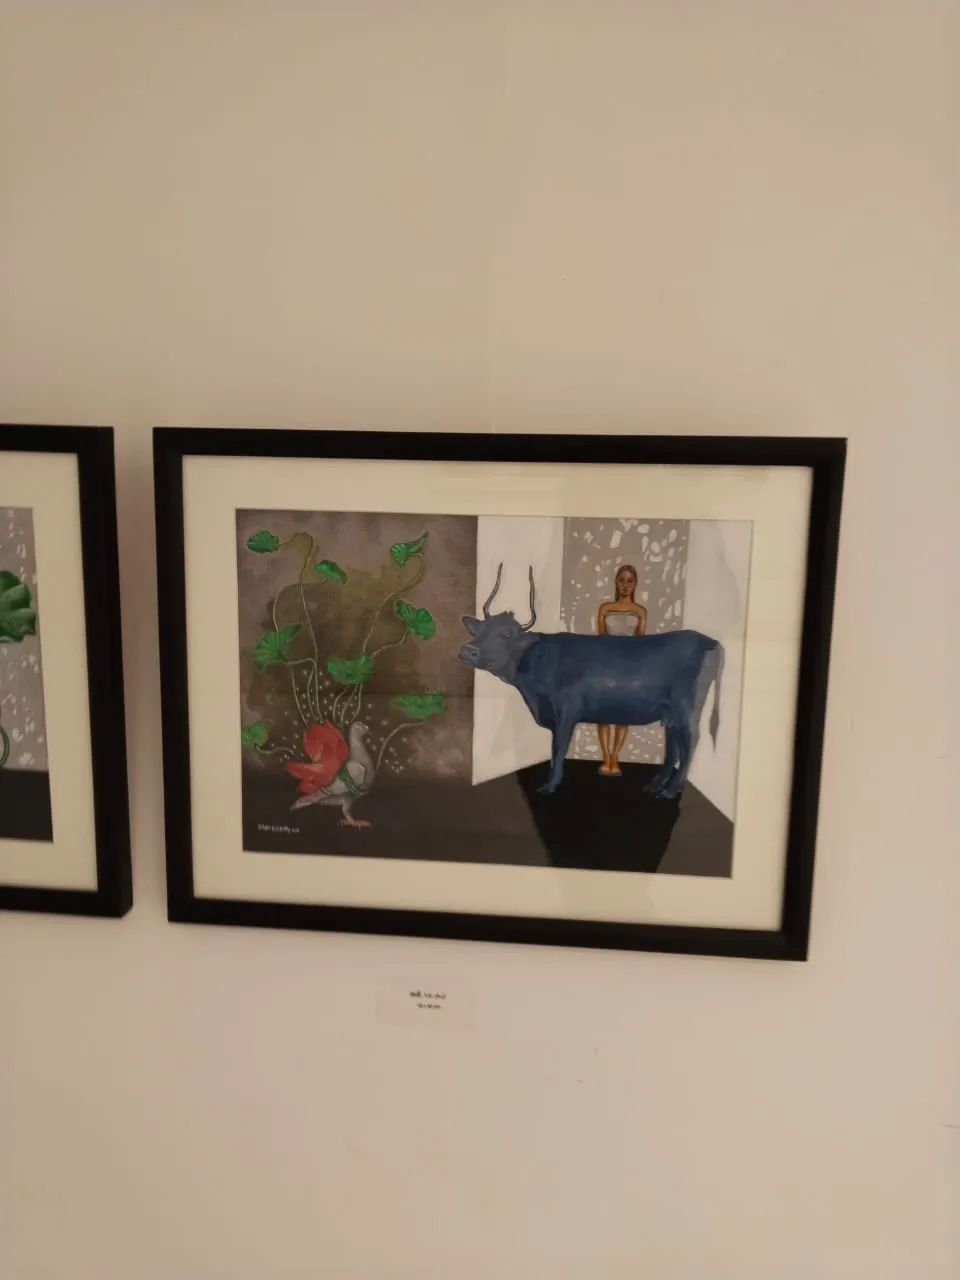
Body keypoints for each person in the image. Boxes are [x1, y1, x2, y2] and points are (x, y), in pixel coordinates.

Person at [596, 563, 646, 776]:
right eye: (622, 580)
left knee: (623, 713)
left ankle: (615, 756)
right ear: (616, 582)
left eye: (630, 581)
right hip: (607, 665)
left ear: (635, 584)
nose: (625, 585)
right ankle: (606, 757)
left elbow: (641, 643)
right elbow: (600, 640)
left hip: (628, 667)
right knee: (602, 713)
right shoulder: (605, 608)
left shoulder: (640, 611)